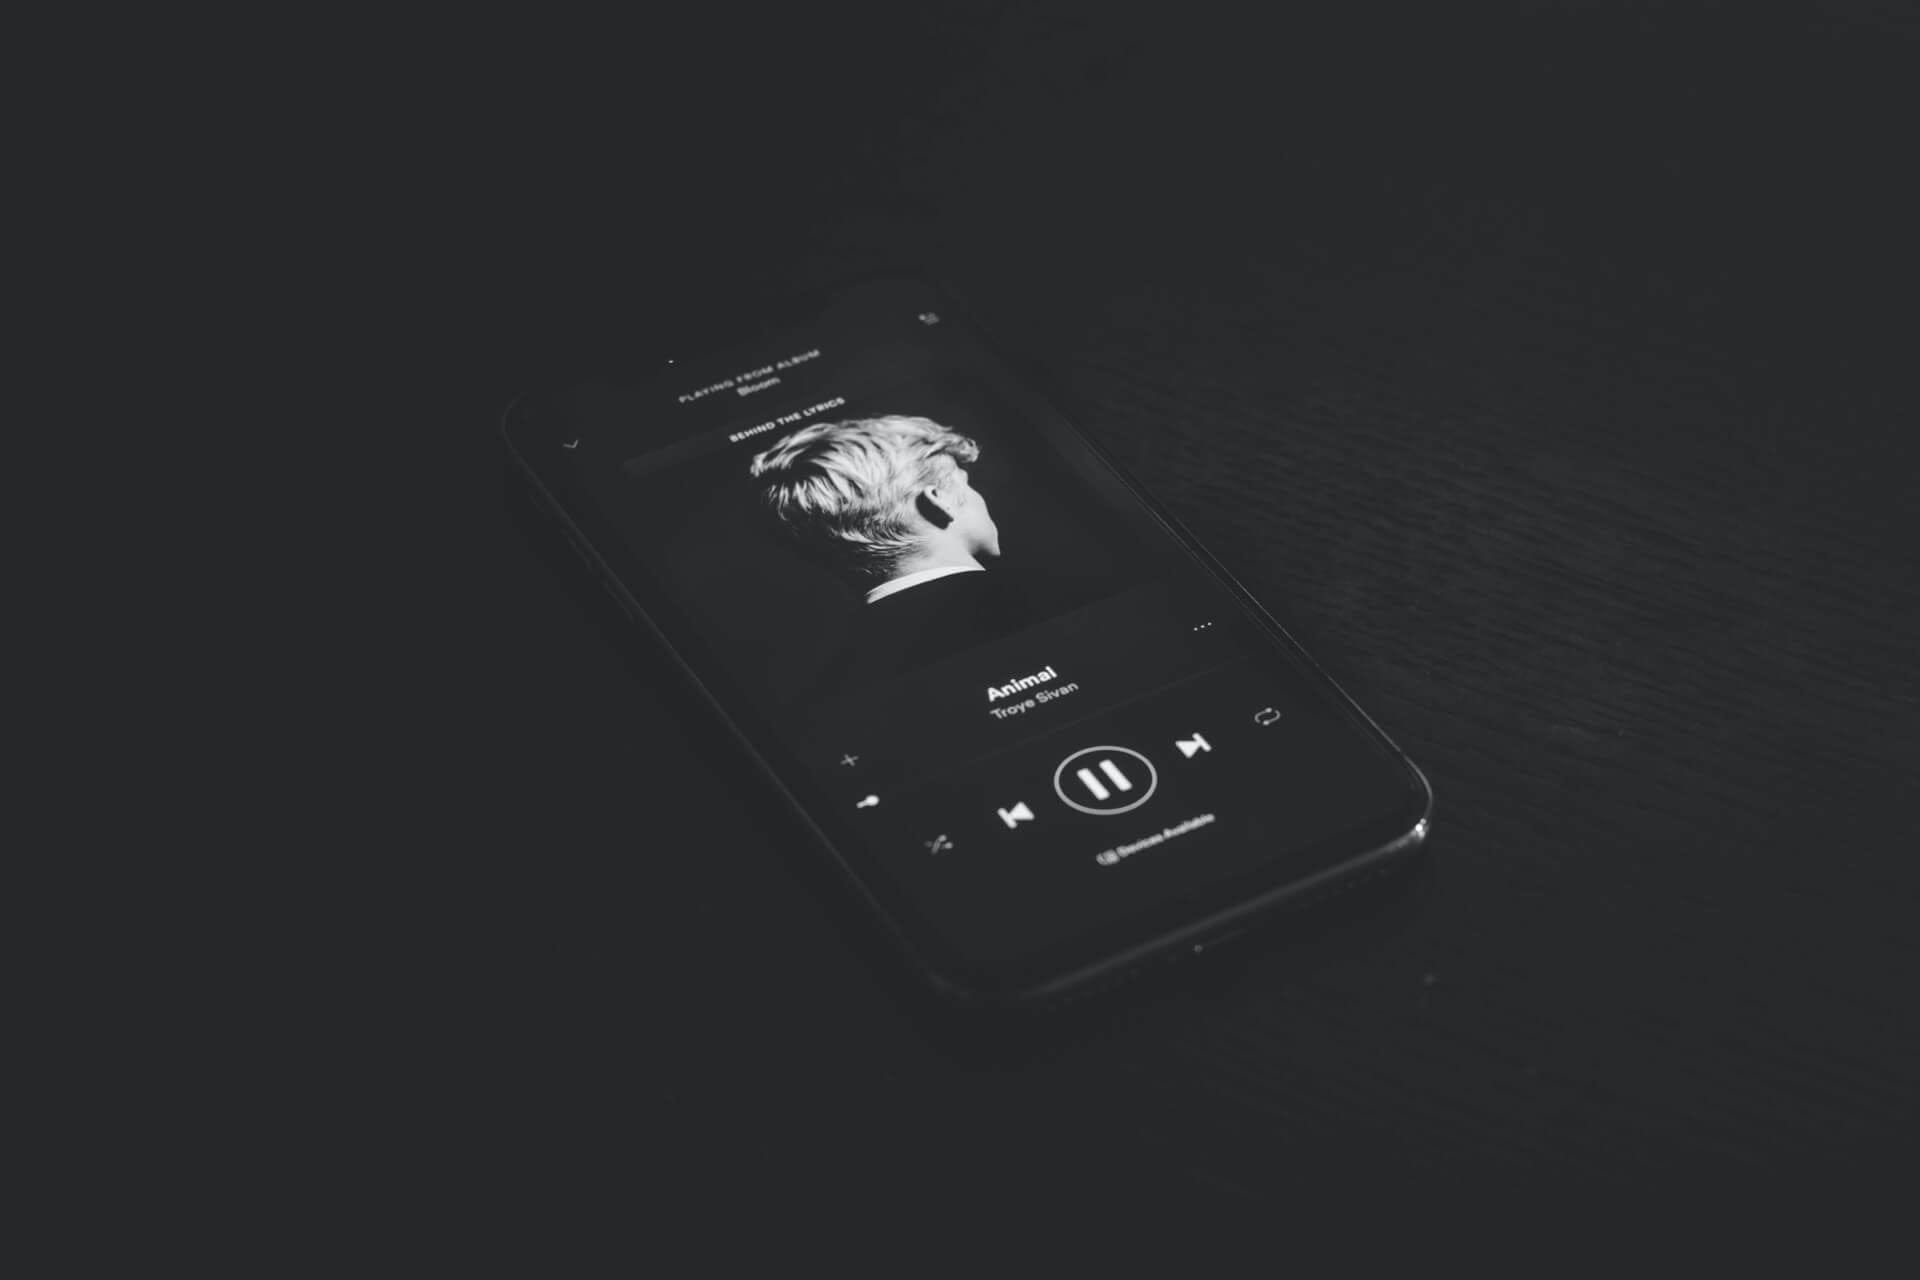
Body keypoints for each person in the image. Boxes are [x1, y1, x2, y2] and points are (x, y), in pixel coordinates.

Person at [749, 414, 1034, 682]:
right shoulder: (1033, 604)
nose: (978, 496)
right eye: (967, 483)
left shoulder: (840, 679)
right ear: (939, 500)